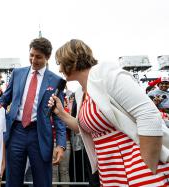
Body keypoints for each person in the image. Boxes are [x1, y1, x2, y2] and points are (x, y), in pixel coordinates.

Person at [49, 39, 169, 186]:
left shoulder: (107, 75)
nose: (59, 68)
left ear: (70, 61)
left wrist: (148, 164)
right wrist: (61, 113)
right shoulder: (81, 91)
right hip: (110, 172)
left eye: (59, 62)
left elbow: (148, 115)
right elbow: (83, 128)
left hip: (137, 169)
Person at [0, 37, 67, 187]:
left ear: (47, 57)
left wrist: (61, 144)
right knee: (12, 181)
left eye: (38, 57)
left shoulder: (56, 81)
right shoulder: (17, 73)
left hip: (40, 135)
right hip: (16, 132)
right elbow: (4, 100)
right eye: (31, 55)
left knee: (43, 181)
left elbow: (59, 115)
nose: (33, 60)